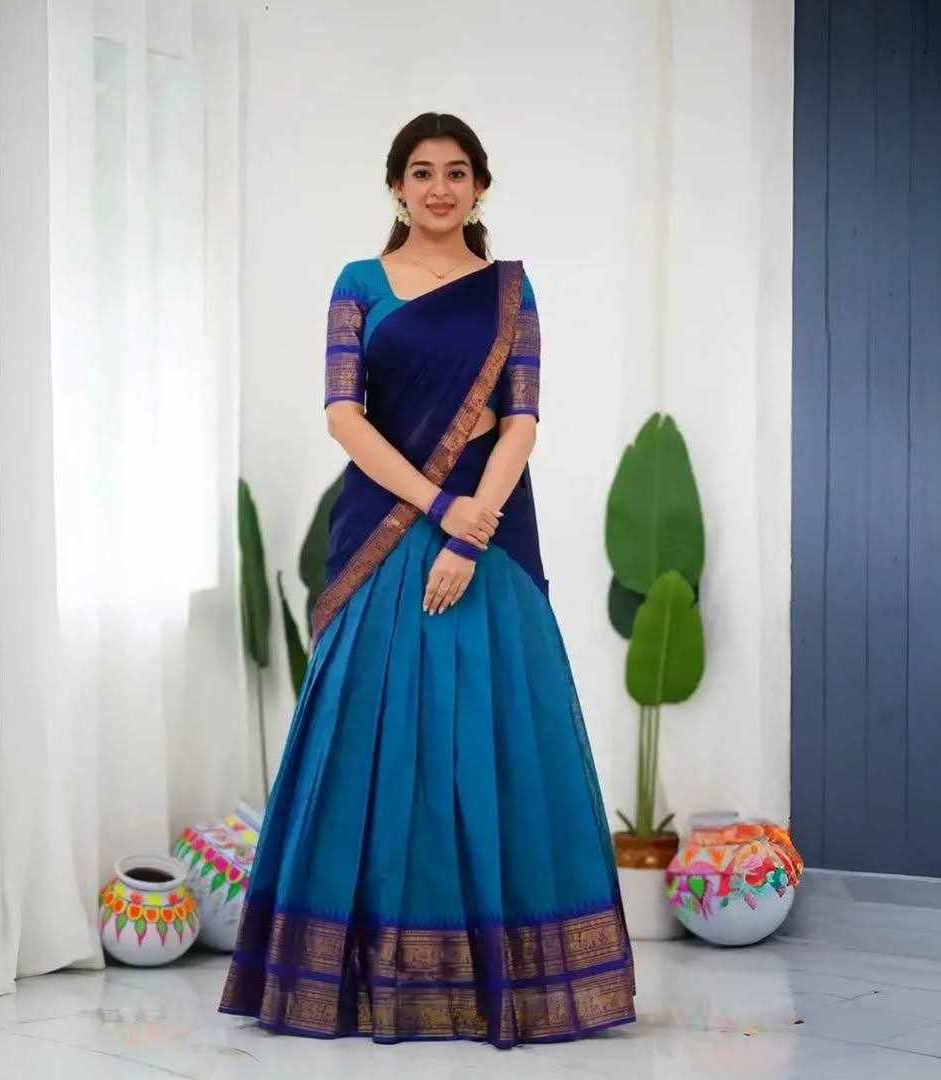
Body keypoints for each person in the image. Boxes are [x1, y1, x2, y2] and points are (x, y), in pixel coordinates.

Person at [218, 112, 636, 1049]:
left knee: (496, 741)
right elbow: (344, 417)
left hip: (491, 535)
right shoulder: (359, 284)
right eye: (421, 172)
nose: (439, 188)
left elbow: (521, 421)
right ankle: (354, 977)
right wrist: (439, 507)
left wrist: (472, 531)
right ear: (396, 187)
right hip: (385, 528)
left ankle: (508, 978)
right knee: (369, 739)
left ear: (480, 187)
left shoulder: (510, 291)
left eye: (455, 172)